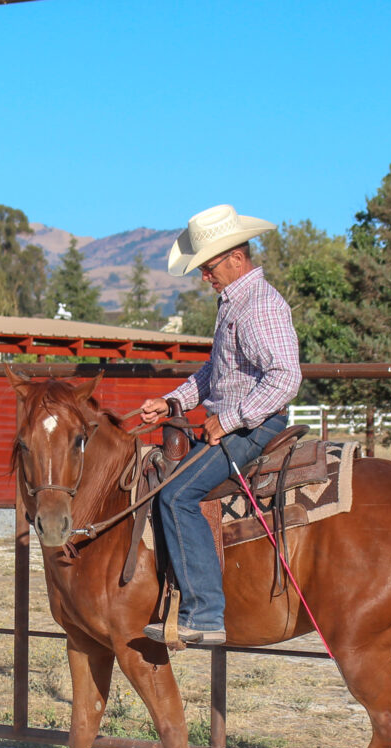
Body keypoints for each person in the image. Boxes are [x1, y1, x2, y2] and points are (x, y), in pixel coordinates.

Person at [141, 204, 302, 646]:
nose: (204, 277)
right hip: (242, 423)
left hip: (255, 427)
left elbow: (285, 377)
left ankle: (205, 613)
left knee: (176, 495)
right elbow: (217, 371)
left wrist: (228, 421)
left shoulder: (259, 305)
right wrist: (172, 402)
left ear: (236, 257)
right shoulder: (236, 302)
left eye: (209, 267)